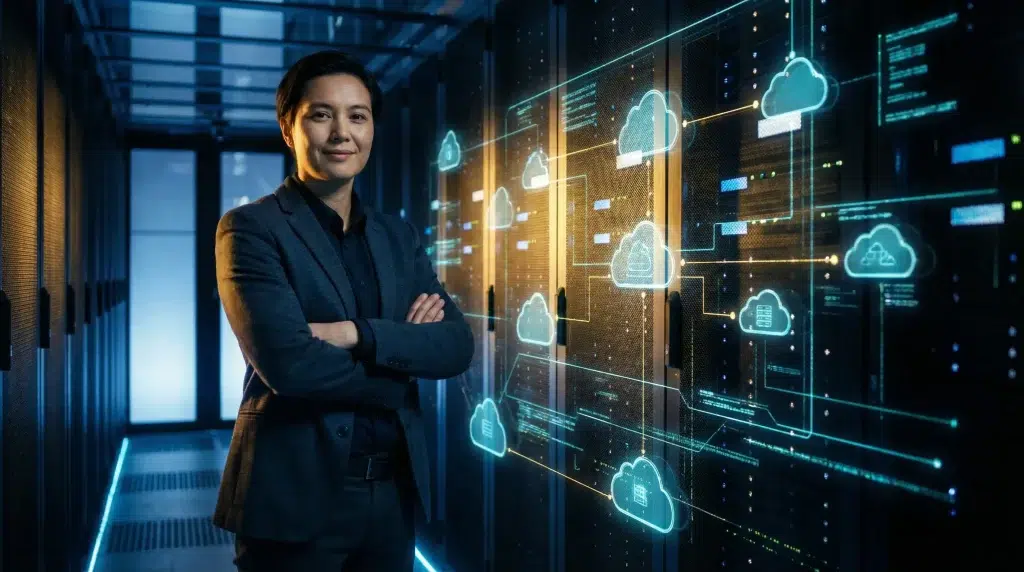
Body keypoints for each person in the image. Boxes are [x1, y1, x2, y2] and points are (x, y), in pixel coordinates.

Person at [212, 49, 474, 571]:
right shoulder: (250, 229)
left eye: (358, 115)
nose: (342, 132)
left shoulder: (396, 236)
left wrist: (354, 335)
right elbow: (289, 364)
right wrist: (402, 354)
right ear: (289, 129)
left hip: (392, 495)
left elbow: (455, 346)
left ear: (372, 128)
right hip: (293, 498)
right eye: (321, 114)